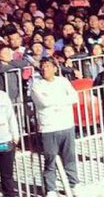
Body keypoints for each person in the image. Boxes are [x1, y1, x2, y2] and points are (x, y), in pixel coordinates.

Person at [30, 58, 80, 195]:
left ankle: (73, 183)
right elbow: (43, 102)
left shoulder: (63, 81)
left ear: (55, 68)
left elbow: (74, 97)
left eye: (48, 66)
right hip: (48, 127)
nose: (45, 69)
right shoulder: (36, 85)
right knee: (50, 158)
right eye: (43, 66)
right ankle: (51, 188)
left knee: (69, 157)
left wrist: (54, 100)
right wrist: (62, 100)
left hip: (66, 124)